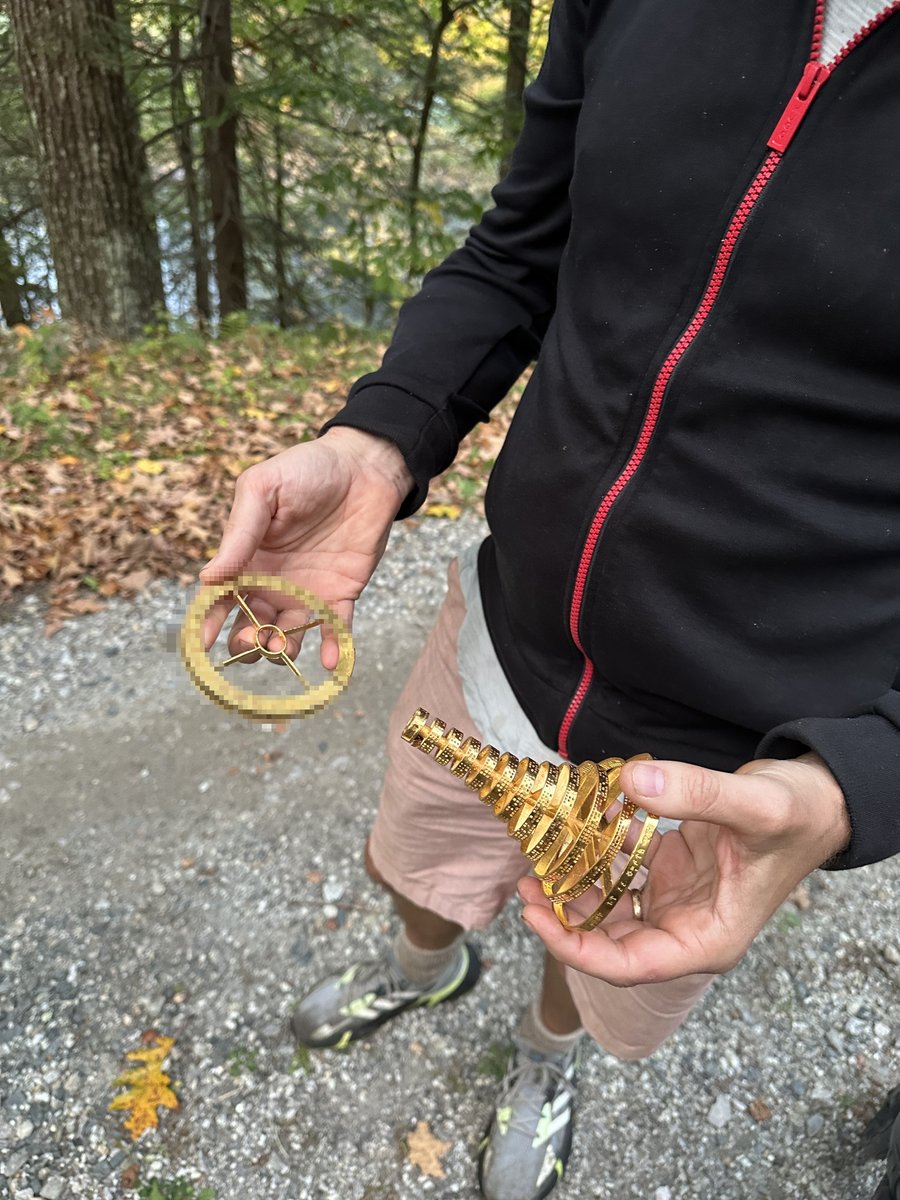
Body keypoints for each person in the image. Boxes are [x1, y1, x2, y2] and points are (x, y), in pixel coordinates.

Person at [201, 2, 900, 1196]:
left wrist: (864, 775)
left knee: (587, 947)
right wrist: (381, 436)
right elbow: (522, 246)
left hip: (719, 766)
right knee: (418, 858)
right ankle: (425, 969)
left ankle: (544, 1053)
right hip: (501, 630)